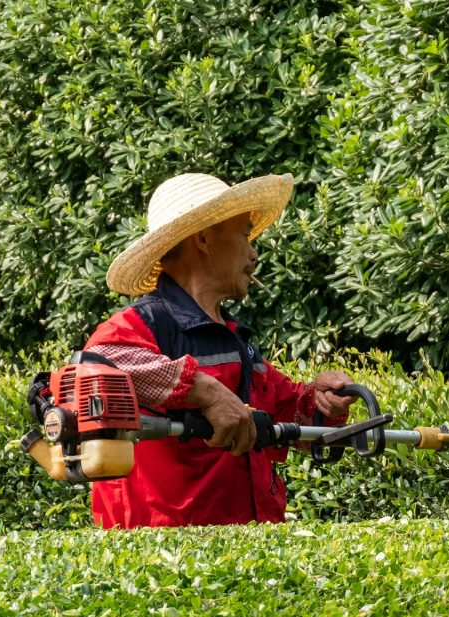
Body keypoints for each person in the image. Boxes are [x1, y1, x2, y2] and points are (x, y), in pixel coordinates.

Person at [82, 172, 356, 528]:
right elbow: (97, 367)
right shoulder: (141, 325)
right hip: (166, 562)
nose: (254, 251)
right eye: (244, 233)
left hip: (249, 547)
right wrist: (205, 390)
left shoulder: (233, 337)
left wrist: (320, 402)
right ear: (204, 238)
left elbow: (285, 414)